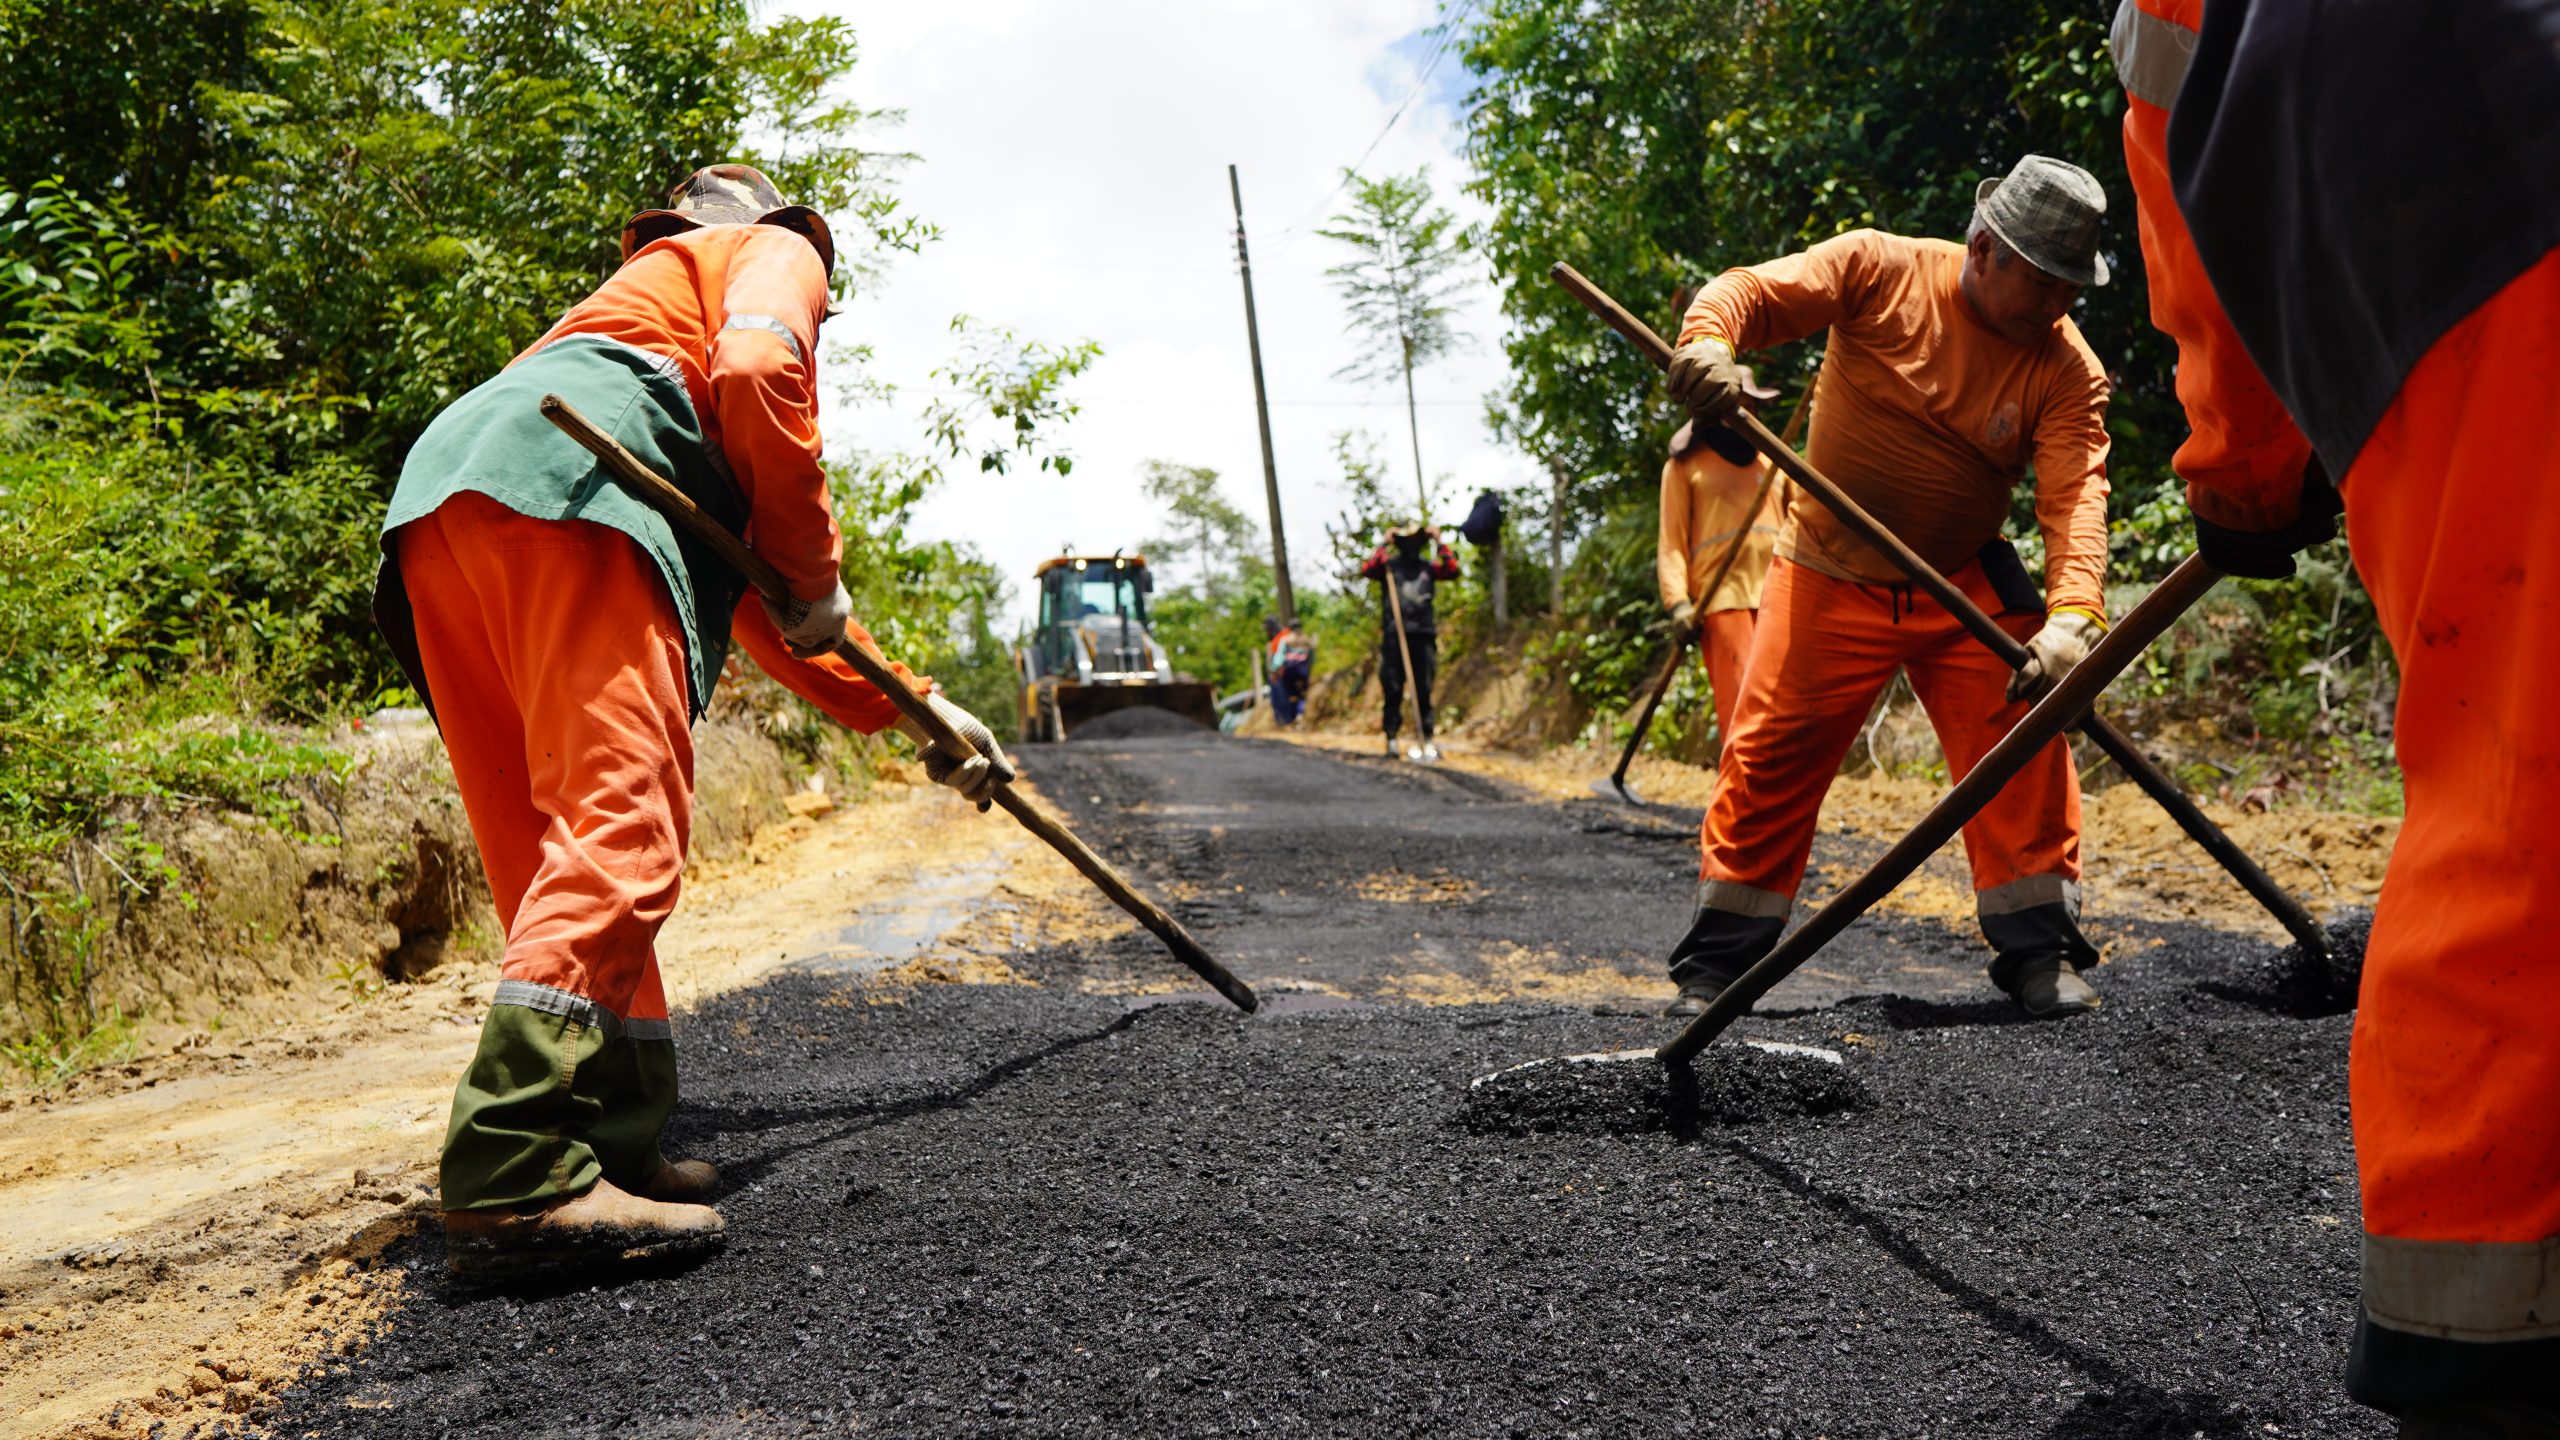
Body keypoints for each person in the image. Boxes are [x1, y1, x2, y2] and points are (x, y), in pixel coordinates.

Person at [372, 164, 1015, 1280]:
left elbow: (778, 616)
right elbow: (765, 368)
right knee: (623, 825)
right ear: (767, 226)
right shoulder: (770, 252)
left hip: (444, 502)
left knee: (550, 848)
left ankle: (608, 1139)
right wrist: (819, 567)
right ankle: (515, 1167)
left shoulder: (629, 309)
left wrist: (923, 716)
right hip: (577, 493)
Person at [2114, 2, 2560, 1431]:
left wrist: (2244, 477)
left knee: (2519, 743)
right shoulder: (1870, 283)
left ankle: (2484, 1345)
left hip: (2433, 215)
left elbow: (2182, 172)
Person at [1659, 153, 2116, 1020]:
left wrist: (2070, 621)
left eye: (2071, 288)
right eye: (2043, 282)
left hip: (1962, 584)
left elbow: (2074, 498)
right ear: (1985, 247)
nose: (2057, 305)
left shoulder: (2067, 368)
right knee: (1767, 757)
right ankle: (1717, 968)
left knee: (2027, 742)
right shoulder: (1878, 268)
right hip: (1828, 569)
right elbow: (1749, 292)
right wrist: (1709, 342)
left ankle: (2038, 956)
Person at [1656, 367, 1787, 749]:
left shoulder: (1774, 461)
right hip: (1723, 602)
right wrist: (1678, 603)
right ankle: (1744, 801)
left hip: (1781, 600)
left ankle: (1780, 801)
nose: (1747, 413)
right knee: (1745, 715)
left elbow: (1806, 525)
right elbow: (1671, 543)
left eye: (1750, 405)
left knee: (1786, 709)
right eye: (1738, 404)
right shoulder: (1684, 467)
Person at [1359, 524, 1461, 761]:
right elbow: (1367, 569)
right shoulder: (1389, 567)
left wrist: (1439, 541)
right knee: (1393, 688)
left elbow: (1453, 570)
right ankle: (1392, 739)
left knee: (1423, 688)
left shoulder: (1428, 568)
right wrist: (1384, 543)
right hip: (1396, 636)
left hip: (1423, 634)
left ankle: (1427, 738)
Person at [1263, 615, 1313, 725]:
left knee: (1290, 696)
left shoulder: (1285, 639)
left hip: (1289, 672)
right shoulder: (1306, 639)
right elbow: (1311, 655)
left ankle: (1291, 719)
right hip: (1303, 671)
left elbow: (1279, 657)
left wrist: (1274, 670)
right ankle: (1300, 715)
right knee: (1302, 695)